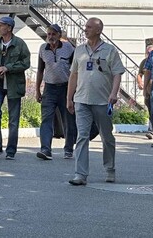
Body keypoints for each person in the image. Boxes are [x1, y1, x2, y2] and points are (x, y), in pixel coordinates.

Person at [67, 18, 125, 185]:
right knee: (82, 136)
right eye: (85, 27)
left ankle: (110, 169)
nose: (85, 30)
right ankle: (80, 174)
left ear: (99, 30)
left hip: (102, 101)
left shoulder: (109, 50)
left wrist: (114, 94)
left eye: (89, 27)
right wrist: (69, 98)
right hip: (82, 99)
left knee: (106, 136)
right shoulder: (79, 50)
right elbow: (74, 75)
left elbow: (117, 73)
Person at [0, 16, 31, 160]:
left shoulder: (20, 44)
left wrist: (7, 68)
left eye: (1, 25)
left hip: (14, 86)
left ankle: (11, 151)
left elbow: (25, 63)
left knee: (13, 120)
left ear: (9, 28)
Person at [35, 24, 77, 160]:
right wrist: (37, 90)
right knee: (46, 119)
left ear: (59, 35)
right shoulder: (43, 49)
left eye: (53, 34)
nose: (51, 37)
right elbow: (40, 70)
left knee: (68, 119)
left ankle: (69, 149)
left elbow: (75, 71)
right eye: (49, 34)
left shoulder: (68, 48)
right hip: (49, 88)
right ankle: (45, 149)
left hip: (65, 88)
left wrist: (73, 92)